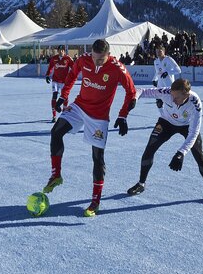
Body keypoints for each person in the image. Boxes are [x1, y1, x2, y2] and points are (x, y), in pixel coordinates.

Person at [43, 39, 136, 217]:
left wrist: (123, 115)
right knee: (56, 131)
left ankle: (95, 201)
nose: (96, 62)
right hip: (80, 106)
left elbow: (131, 92)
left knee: (97, 157)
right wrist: (64, 96)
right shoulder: (84, 59)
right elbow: (71, 76)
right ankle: (56, 175)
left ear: (108, 55)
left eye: (100, 60)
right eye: (94, 58)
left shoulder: (117, 68)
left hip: (99, 116)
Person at [127, 78, 203, 205]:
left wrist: (181, 153)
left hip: (187, 127)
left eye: (176, 97)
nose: (173, 100)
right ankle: (141, 184)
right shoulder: (167, 93)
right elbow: (141, 91)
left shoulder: (195, 103)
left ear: (186, 94)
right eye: (172, 95)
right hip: (166, 123)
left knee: (199, 156)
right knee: (149, 149)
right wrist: (134, 99)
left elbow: (193, 132)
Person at [45, 45, 74, 123]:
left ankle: (64, 114)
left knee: (65, 98)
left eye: (62, 50)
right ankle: (54, 116)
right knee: (54, 96)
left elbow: (74, 68)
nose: (61, 51)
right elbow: (50, 67)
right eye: (59, 50)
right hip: (55, 80)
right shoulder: (54, 58)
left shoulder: (68, 59)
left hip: (64, 81)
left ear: (64, 51)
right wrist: (47, 75)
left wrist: (72, 77)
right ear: (57, 51)